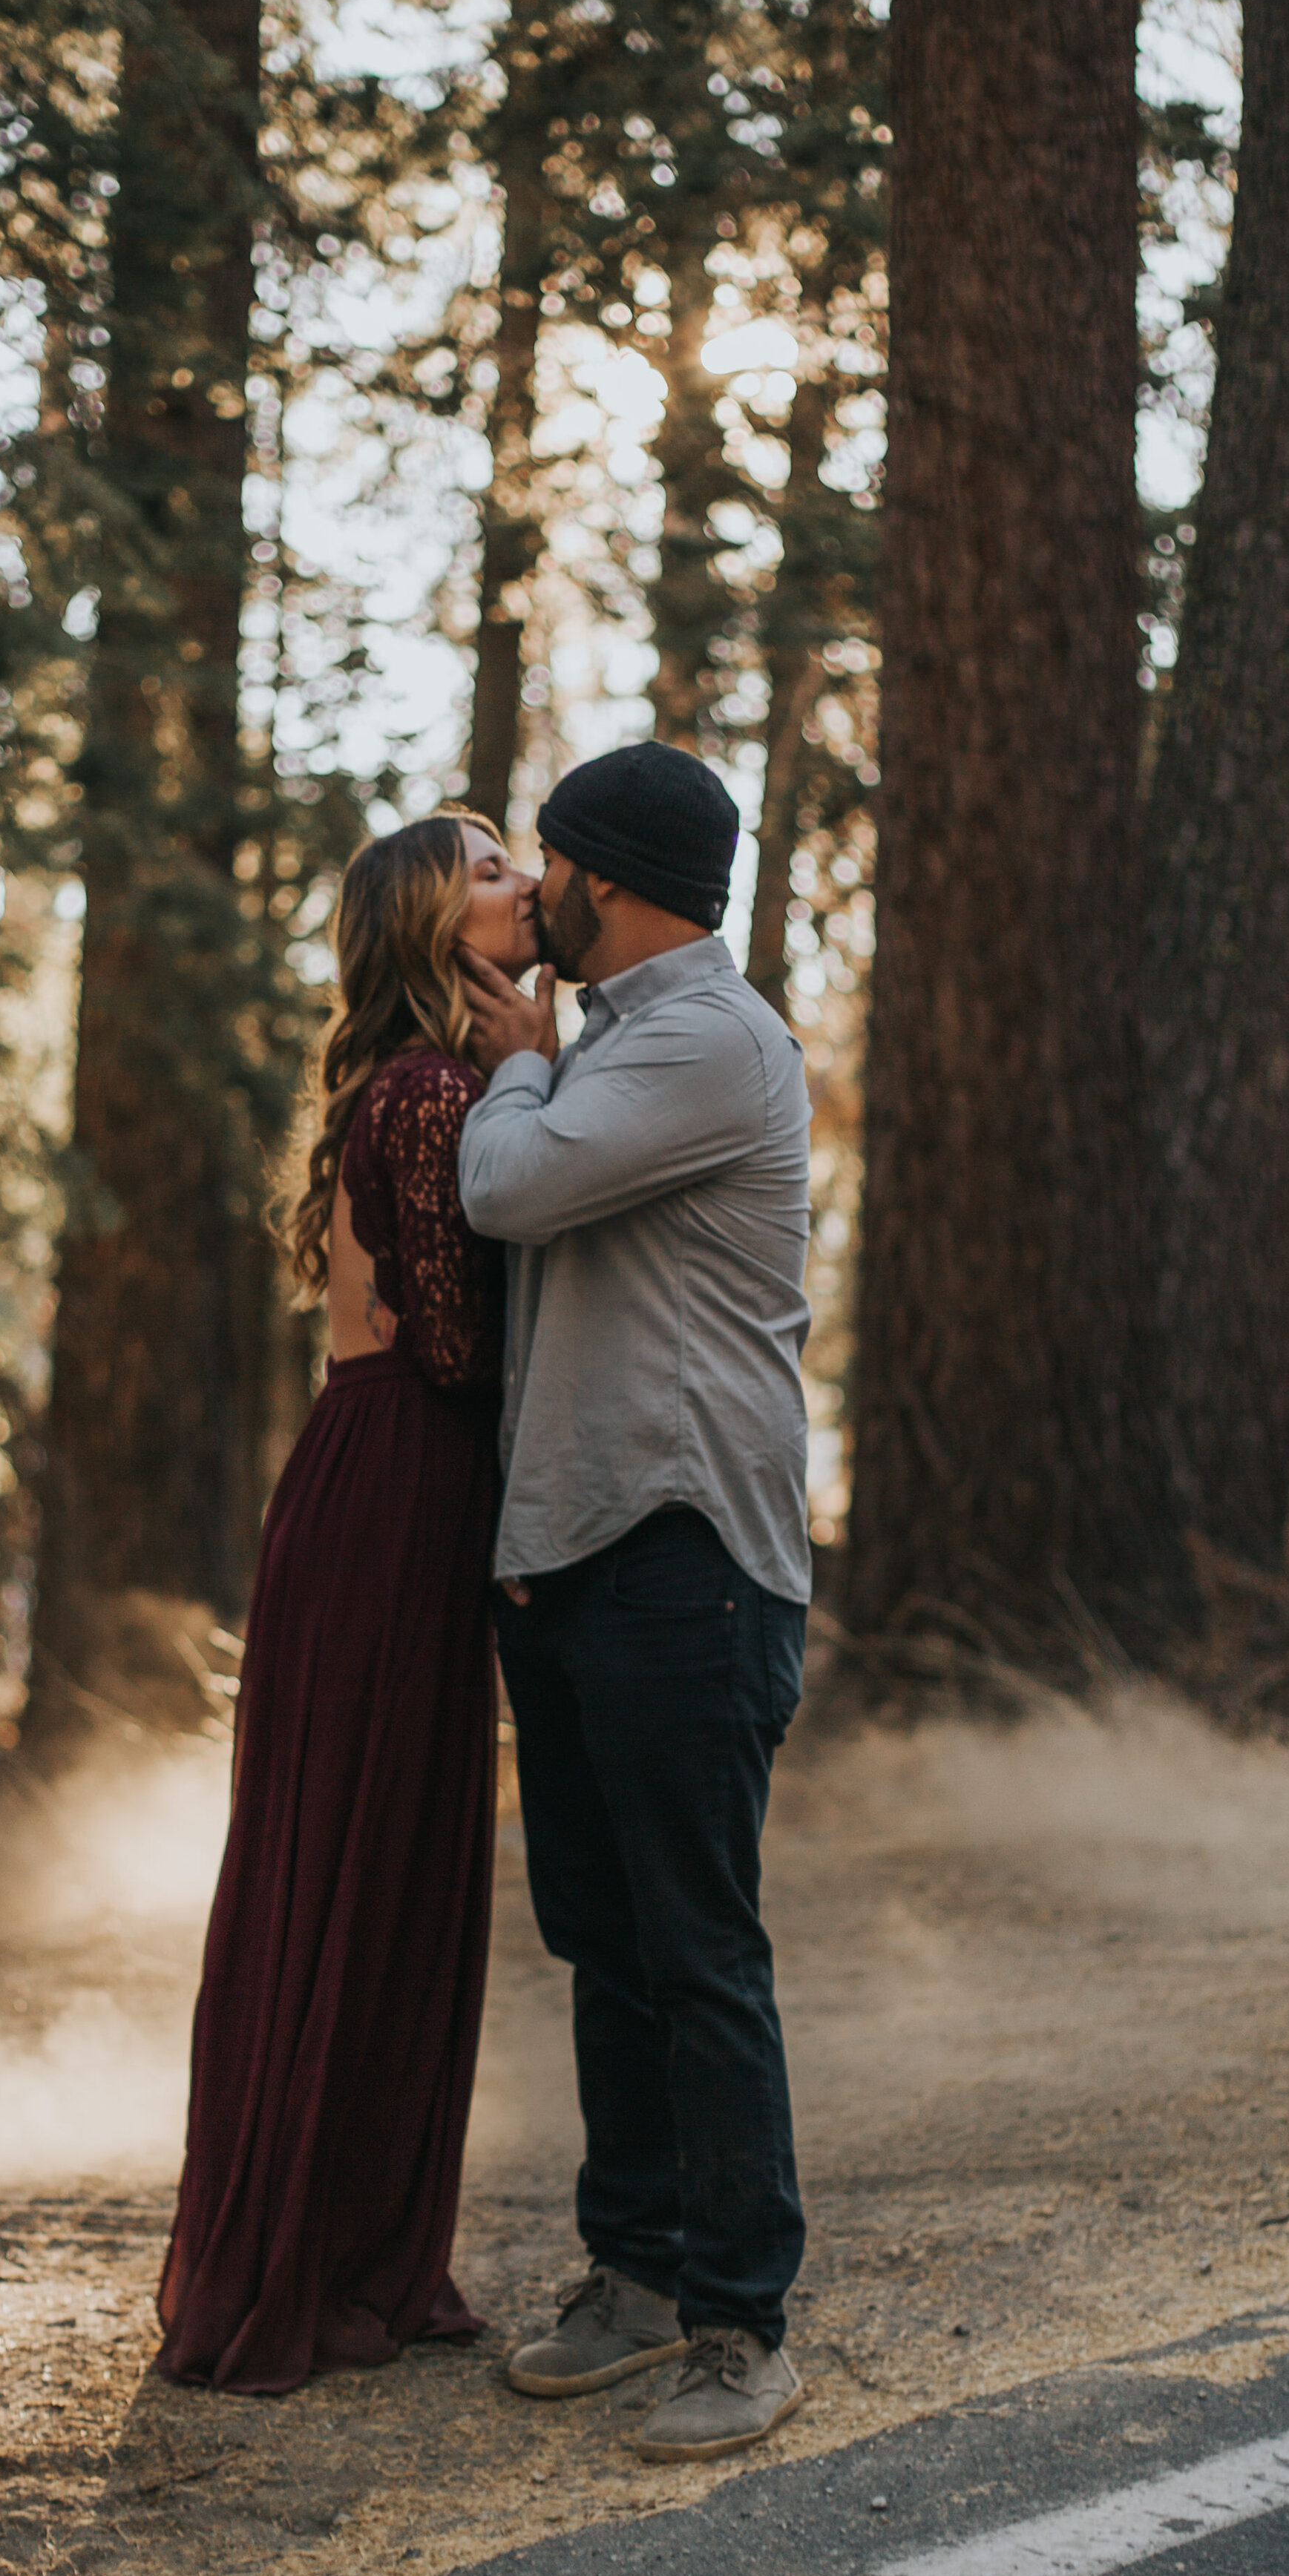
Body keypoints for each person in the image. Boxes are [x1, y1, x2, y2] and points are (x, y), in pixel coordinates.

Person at [457, 740, 813, 2465]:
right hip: (582, 1551)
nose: (532, 896)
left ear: (607, 876)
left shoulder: (697, 1041)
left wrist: (514, 1061)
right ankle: (639, 2274)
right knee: (606, 1942)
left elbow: (509, 1187)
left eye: (547, 867)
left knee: (696, 1949)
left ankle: (742, 2324)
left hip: (684, 1556)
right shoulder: (620, 1045)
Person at [156, 813, 540, 2395]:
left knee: (356, 1869)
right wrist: (531, 1082)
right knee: (368, 1868)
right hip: (399, 1494)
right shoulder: (440, 1092)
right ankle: (320, 2263)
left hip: (367, 1485)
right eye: (499, 868)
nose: (533, 884)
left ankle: (334, 2244)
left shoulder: (407, 1086)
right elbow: (459, 1349)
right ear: (436, 924)